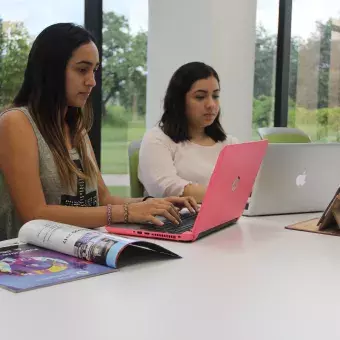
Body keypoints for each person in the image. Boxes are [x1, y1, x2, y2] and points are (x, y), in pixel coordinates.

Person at [0, 23, 198, 241]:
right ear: (51, 70)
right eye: (82, 69)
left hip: (79, 247)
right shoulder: (16, 122)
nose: (92, 81)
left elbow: (103, 199)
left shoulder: (76, 127)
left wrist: (152, 204)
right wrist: (126, 213)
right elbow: (35, 214)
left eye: (94, 70)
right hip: (33, 260)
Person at [138, 61, 238, 203]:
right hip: (174, 221)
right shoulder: (157, 139)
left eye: (215, 96)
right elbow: (167, 189)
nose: (211, 104)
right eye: (200, 97)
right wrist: (228, 193)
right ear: (179, 101)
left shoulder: (229, 143)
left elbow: (246, 187)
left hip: (226, 218)